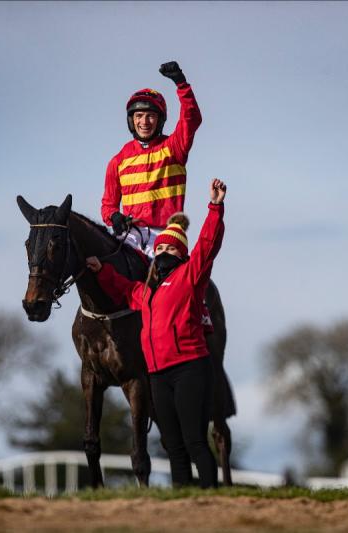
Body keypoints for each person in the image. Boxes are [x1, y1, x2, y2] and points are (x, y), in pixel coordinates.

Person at [86, 178, 227, 488]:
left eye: (169, 248)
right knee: (173, 447)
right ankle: (181, 504)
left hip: (190, 368)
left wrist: (215, 208)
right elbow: (125, 289)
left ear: (180, 254)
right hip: (159, 376)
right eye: (159, 247)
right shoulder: (147, 292)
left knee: (194, 442)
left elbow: (207, 244)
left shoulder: (191, 276)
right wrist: (101, 271)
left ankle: (212, 501)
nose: (162, 251)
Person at [101, 61, 202, 259]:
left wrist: (181, 84)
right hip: (131, 234)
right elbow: (108, 205)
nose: (144, 122)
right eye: (139, 116)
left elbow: (192, 118)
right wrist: (113, 216)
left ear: (160, 120)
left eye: (150, 116)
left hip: (165, 234)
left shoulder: (174, 148)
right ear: (132, 120)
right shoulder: (118, 161)